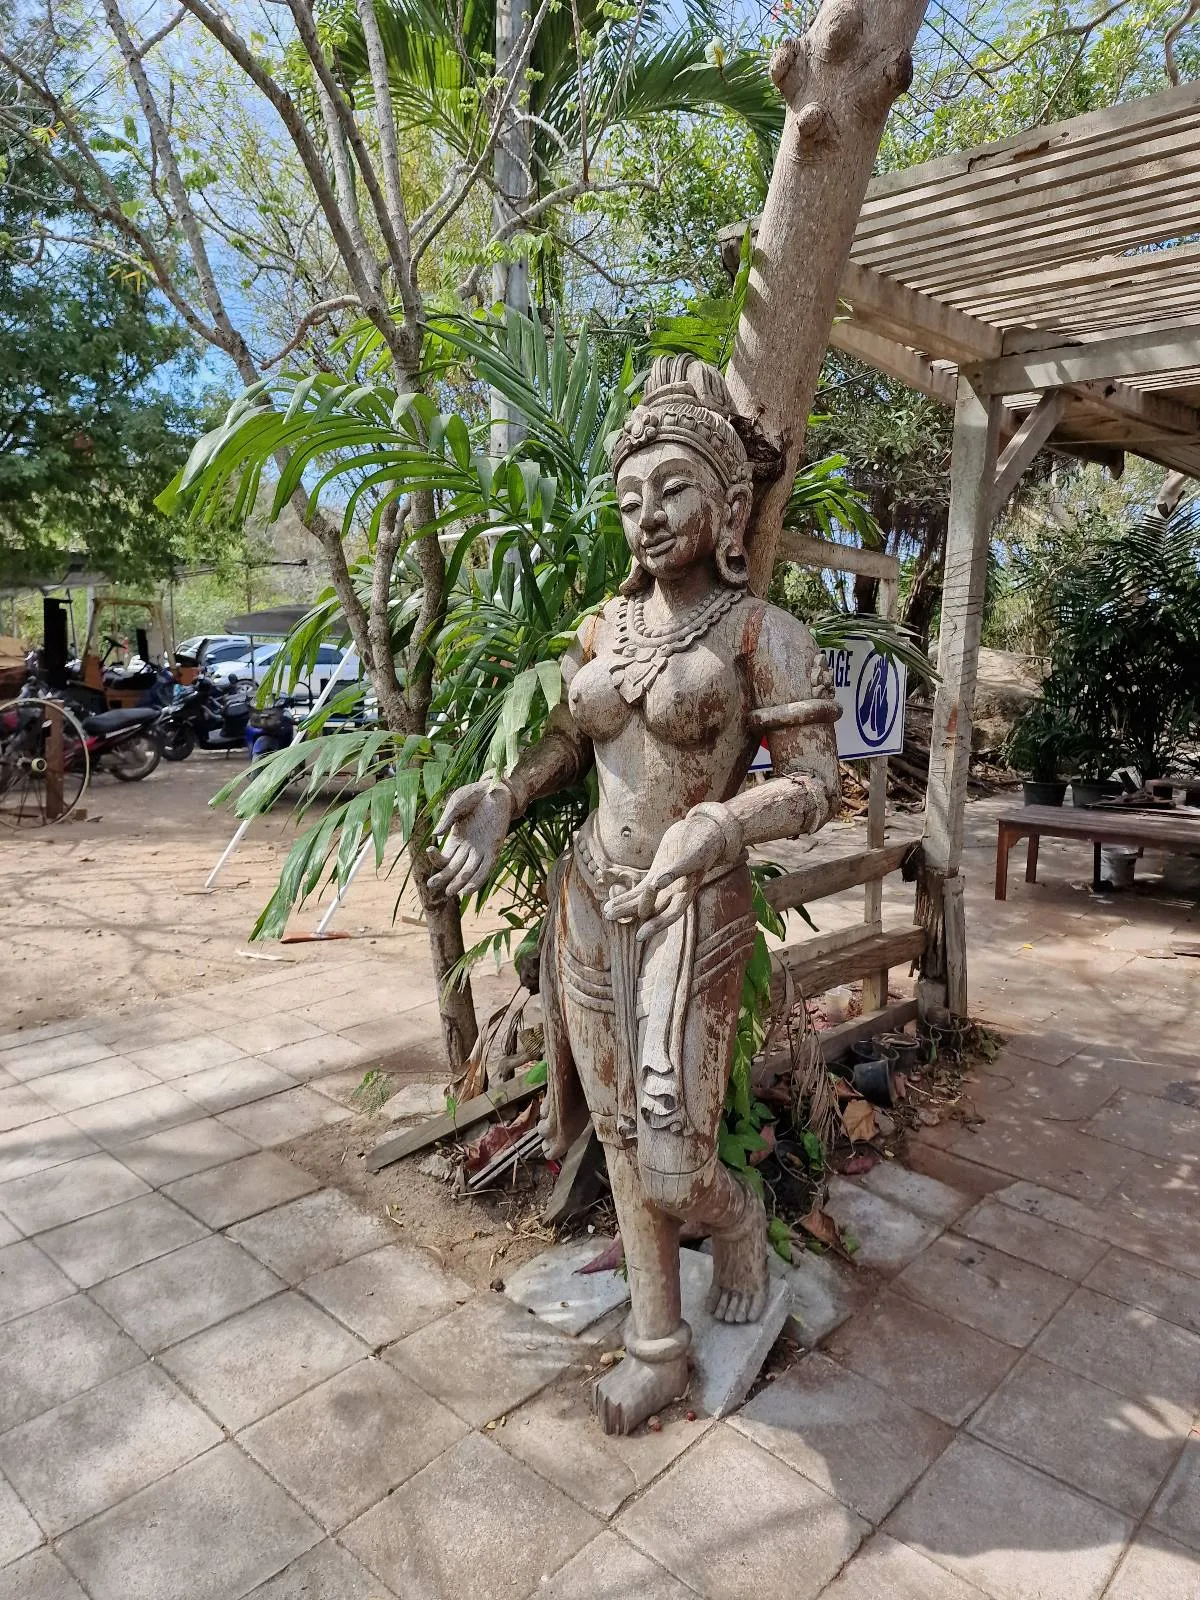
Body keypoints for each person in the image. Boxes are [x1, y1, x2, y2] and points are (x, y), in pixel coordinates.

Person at [431, 354, 840, 1432]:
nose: (645, 518)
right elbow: (576, 740)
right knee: (616, 1132)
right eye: (627, 500)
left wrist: (720, 825)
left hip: (692, 908)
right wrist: (509, 794)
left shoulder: (762, 635)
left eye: (670, 491)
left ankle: (736, 1219)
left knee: (671, 1152)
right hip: (591, 897)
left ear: (729, 507)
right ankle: (657, 1342)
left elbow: (817, 786)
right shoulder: (602, 631)